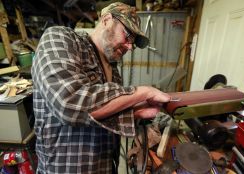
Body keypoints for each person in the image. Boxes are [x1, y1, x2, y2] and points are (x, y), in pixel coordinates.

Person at [31, 2, 170, 174]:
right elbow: (70, 103)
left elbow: (102, 114)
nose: (129, 47)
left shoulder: (113, 70)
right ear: (106, 19)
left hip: (103, 166)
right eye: (127, 36)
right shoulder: (60, 39)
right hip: (65, 168)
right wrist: (143, 92)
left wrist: (137, 113)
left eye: (133, 43)